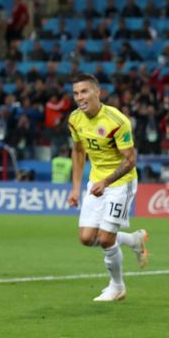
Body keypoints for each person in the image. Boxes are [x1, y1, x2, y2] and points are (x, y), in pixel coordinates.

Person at [66, 73, 149, 302]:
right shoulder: (75, 119)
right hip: (96, 182)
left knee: (105, 239)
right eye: (75, 93)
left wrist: (107, 182)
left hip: (121, 183)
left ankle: (117, 287)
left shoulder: (116, 121)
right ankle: (134, 240)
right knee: (86, 237)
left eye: (84, 91)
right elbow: (79, 150)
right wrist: (75, 188)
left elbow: (130, 160)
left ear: (97, 93)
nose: (79, 97)